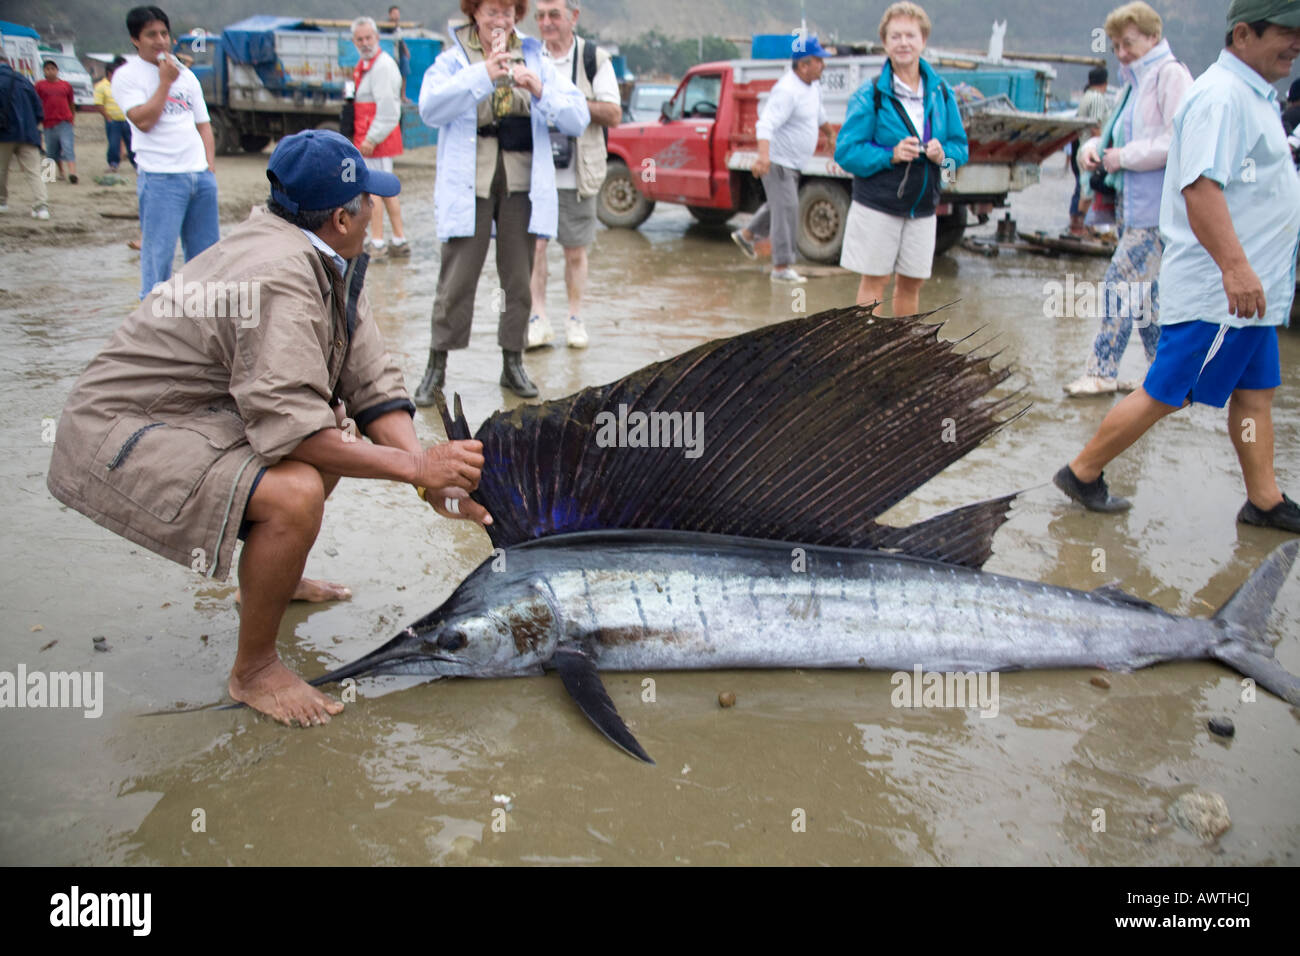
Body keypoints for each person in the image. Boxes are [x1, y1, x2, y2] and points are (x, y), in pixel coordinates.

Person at [46, 129, 493, 727]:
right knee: (297, 488)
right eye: (367, 203)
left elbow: (371, 380)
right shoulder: (280, 275)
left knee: (332, 425)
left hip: (188, 415)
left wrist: (427, 480)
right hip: (122, 431)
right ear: (342, 217)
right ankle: (253, 670)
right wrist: (415, 466)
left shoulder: (317, 252)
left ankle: (271, 579)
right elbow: (294, 433)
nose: (372, 215)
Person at [1053, 0, 1300, 535]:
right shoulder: (1219, 96)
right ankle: (1082, 470)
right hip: (1221, 290)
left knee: (1256, 394)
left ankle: (1264, 498)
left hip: (1254, 291)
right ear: (1243, 34)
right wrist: (1234, 269)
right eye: (1287, 32)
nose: (1296, 43)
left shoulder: (1253, 94)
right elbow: (1198, 186)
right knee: (1167, 390)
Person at [414, 0, 588, 401]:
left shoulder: (535, 56)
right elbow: (429, 108)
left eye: (509, 12)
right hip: (469, 180)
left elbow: (576, 117)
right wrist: (482, 75)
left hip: (520, 179)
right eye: (493, 11)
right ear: (474, 13)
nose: (501, 20)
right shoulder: (452, 58)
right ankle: (436, 366)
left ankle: (513, 362)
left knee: (517, 278)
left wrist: (539, 87)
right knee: (456, 278)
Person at [1064, 2, 1193, 397]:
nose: (1121, 52)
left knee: (1119, 284)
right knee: (1145, 298)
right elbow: (1116, 135)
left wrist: (1123, 157)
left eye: (1129, 43)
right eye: (1116, 45)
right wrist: (1094, 149)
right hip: (1129, 206)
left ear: (1153, 37)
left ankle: (1102, 371)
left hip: (1157, 210)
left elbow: (1180, 139)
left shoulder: (1170, 76)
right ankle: (1166, 375)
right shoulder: (1134, 81)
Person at [834, 2, 968, 315]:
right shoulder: (871, 95)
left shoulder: (942, 93)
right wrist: (890, 155)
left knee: (912, 284)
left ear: (923, 41)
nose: (903, 42)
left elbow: (961, 148)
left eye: (910, 35)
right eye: (895, 36)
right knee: (875, 282)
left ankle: (903, 357)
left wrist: (942, 153)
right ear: (885, 43)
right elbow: (846, 152)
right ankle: (868, 354)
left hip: (922, 208)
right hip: (878, 206)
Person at [526, 0, 622, 349]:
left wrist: (566, 103)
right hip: (537, 174)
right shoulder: (529, 55)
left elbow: (613, 113)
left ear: (573, 17)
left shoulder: (593, 58)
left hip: (578, 173)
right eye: (540, 16)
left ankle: (575, 317)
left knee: (575, 253)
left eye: (554, 15)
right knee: (535, 249)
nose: (547, 22)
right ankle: (537, 316)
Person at [113, 6, 220, 301]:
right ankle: (151, 320)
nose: (160, 40)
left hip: (199, 177)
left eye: (164, 33)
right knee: (158, 255)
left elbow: (204, 125)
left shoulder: (186, 75)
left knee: (207, 257)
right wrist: (164, 82)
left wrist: (209, 166)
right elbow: (144, 121)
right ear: (135, 39)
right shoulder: (127, 76)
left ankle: (203, 318)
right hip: (161, 179)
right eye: (151, 34)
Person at [730, 35, 837, 284]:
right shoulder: (787, 90)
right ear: (804, 65)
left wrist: (830, 134)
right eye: (819, 61)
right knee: (786, 211)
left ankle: (747, 235)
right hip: (779, 162)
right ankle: (781, 267)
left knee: (780, 206)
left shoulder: (811, 87)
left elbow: (818, 114)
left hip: (793, 163)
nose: (824, 65)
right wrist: (764, 157)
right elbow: (765, 123)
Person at [351, 16, 409, 257]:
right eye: (360, 39)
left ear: (377, 38)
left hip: (376, 138)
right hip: (370, 135)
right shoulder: (367, 64)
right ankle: (397, 239)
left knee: (375, 191)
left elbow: (388, 108)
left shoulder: (382, 66)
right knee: (383, 191)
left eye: (369, 38)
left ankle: (378, 242)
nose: (365, 43)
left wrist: (372, 139)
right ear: (354, 42)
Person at [0, 50, 51, 220]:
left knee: (1, 171)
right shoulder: (23, 80)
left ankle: (2, 203)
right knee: (34, 172)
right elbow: (39, 108)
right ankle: (42, 206)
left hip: (4, 134)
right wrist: (33, 127)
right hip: (29, 134)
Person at [1067, 65, 1109, 236]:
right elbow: (1096, 126)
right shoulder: (1098, 98)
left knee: (1081, 187)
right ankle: (1079, 226)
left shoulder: (1086, 97)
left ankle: (1077, 225)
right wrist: (1099, 152)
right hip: (1091, 149)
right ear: (1105, 83)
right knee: (1087, 190)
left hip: (1081, 147)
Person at [35, 59, 77, 184]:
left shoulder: (65, 85)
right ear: (44, 71)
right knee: (51, 150)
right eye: (47, 69)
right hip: (48, 122)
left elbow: (71, 103)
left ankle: (73, 173)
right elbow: (36, 102)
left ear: (57, 71)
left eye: (53, 69)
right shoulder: (39, 85)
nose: (50, 71)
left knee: (67, 147)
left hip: (65, 120)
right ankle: (50, 175)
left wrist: (72, 117)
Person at [94, 57, 134, 172]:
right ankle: (113, 164)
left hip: (127, 119)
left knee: (131, 142)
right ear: (109, 73)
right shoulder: (101, 86)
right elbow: (98, 104)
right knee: (113, 143)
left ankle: (136, 164)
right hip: (113, 120)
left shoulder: (123, 84)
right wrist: (107, 117)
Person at [387, 5, 412, 99]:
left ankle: (403, 96)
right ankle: (393, 96)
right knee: (392, 76)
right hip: (392, 55)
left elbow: (401, 39)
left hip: (401, 54)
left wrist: (406, 50)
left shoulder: (399, 27)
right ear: (390, 15)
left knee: (404, 74)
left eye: (397, 13)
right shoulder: (386, 26)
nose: (396, 15)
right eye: (394, 13)